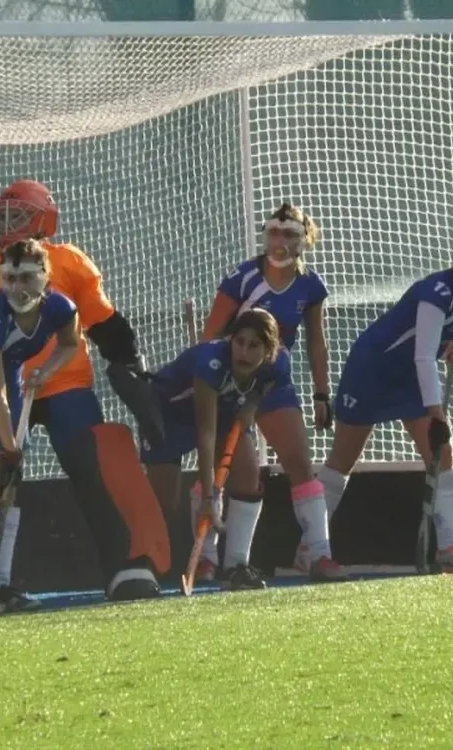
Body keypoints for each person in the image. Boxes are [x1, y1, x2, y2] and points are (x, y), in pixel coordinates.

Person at [0, 179, 170, 603]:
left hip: (65, 385)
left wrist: (134, 372)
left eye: (19, 214)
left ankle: (129, 563)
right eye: (4, 215)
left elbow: (105, 325)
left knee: (99, 456)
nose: (8, 223)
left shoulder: (68, 262)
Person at [321, 228, 453, 573]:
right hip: (373, 368)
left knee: (442, 455)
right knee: (343, 459)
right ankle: (312, 549)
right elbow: (424, 355)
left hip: (411, 379)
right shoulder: (436, 292)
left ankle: (449, 548)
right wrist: (437, 415)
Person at [200, 202, 344, 582]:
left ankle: (318, 554)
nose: (279, 242)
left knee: (299, 462)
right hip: (231, 381)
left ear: (304, 240)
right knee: (223, 468)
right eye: (273, 233)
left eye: (290, 235)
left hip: (273, 381)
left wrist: (322, 393)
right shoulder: (243, 278)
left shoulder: (310, 285)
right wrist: (209, 382)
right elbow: (211, 334)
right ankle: (208, 556)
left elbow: (316, 342)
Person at [0, 239, 80, 613]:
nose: (17, 288)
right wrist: (11, 447)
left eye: (26, 278)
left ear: (45, 277)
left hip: (7, 378)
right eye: (9, 279)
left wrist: (46, 372)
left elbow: (69, 344)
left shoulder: (60, 308)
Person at [142, 308, 291, 591]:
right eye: (240, 342)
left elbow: (265, 386)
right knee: (164, 500)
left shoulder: (279, 364)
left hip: (224, 409)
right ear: (230, 340)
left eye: (254, 346)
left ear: (268, 351)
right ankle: (143, 565)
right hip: (167, 412)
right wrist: (209, 497)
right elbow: (206, 433)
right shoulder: (211, 364)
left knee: (248, 474)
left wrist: (252, 404)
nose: (243, 352)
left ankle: (236, 565)